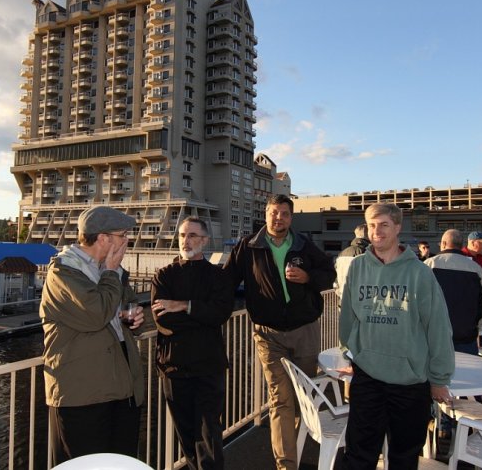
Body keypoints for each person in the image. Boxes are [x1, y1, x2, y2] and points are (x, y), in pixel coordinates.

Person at [224, 194, 336, 470]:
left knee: (301, 397)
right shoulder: (248, 246)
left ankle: (297, 439)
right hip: (268, 335)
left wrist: (308, 278)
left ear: (291, 218)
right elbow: (225, 282)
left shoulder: (303, 244)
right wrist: (195, 305)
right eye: (274, 212)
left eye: (284, 213)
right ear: (265, 214)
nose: (278, 218)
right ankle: (286, 464)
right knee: (280, 399)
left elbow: (328, 272)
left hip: (305, 331)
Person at [340, 203, 455, 470]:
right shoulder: (357, 267)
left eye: (384, 225)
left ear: (397, 228)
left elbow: (438, 328)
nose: (376, 231)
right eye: (371, 225)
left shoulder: (420, 273)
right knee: (358, 455)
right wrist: (351, 353)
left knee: (404, 457)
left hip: (409, 383)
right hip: (367, 377)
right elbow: (348, 317)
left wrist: (439, 379)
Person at [40, 206, 145, 465]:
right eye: (122, 235)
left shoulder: (112, 271)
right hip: (83, 394)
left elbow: (125, 306)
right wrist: (111, 272)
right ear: (103, 238)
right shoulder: (63, 272)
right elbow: (96, 314)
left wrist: (133, 318)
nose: (127, 241)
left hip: (121, 389)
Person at [151, 217, 234, 470]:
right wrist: (200, 314)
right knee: (186, 436)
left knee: (209, 436)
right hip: (174, 367)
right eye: (182, 235)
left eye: (192, 235)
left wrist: (183, 306)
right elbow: (162, 319)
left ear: (205, 240)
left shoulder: (218, 276)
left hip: (208, 366)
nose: (185, 241)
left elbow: (220, 313)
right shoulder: (164, 275)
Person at [425, 229, 482, 355]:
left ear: (443, 243)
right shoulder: (475, 268)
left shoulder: (429, 264)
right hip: (466, 336)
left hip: (433, 336)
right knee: (467, 368)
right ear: (461, 245)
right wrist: (474, 326)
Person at [335, 223, 369, 298]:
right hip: (362, 298)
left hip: (344, 297)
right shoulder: (368, 253)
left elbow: (336, 278)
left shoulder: (342, 253)